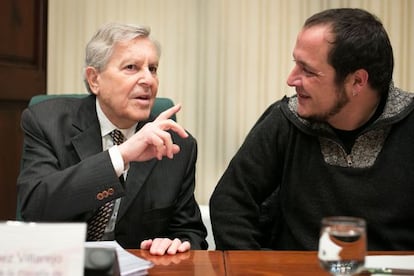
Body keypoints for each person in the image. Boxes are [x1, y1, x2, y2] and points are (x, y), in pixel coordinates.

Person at [210, 8, 414, 251]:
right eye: (296, 64)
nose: (291, 79)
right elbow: (230, 202)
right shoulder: (285, 120)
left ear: (357, 81)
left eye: (308, 71)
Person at [17, 22, 207, 255]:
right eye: (131, 67)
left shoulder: (177, 147)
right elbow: (35, 207)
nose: (148, 80)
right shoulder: (46, 122)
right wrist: (121, 156)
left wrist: (177, 243)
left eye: (153, 68)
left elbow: (190, 233)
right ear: (94, 79)